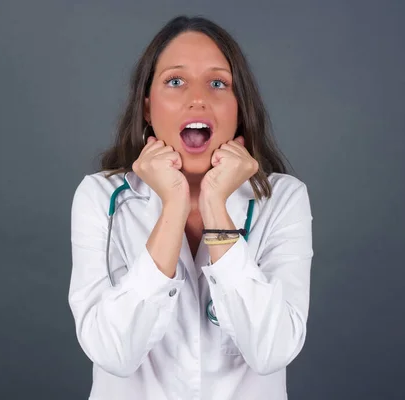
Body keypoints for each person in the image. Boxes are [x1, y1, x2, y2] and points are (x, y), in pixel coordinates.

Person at [68, 15, 313, 400]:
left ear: (238, 109)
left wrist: (216, 207)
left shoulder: (283, 199)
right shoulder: (101, 198)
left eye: (218, 83)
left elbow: (272, 351)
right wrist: (173, 207)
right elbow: (112, 352)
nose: (197, 97)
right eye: (175, 81)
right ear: (147, 108)